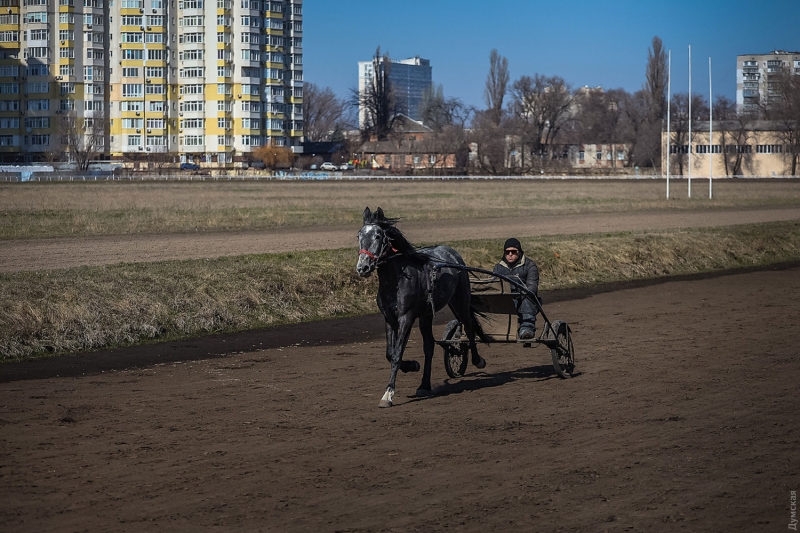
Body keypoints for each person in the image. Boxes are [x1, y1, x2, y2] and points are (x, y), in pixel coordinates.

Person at [493, 238, 539, 340]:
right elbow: (494, 285)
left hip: (524, 298)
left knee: (529, 297)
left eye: (513, 252)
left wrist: (520, 294)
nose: (510, 254)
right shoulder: (498, 267)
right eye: (507, 252)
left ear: (519, 252)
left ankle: (527, 329)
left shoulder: (530, 265)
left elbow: (532, 286)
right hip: (506, 299)